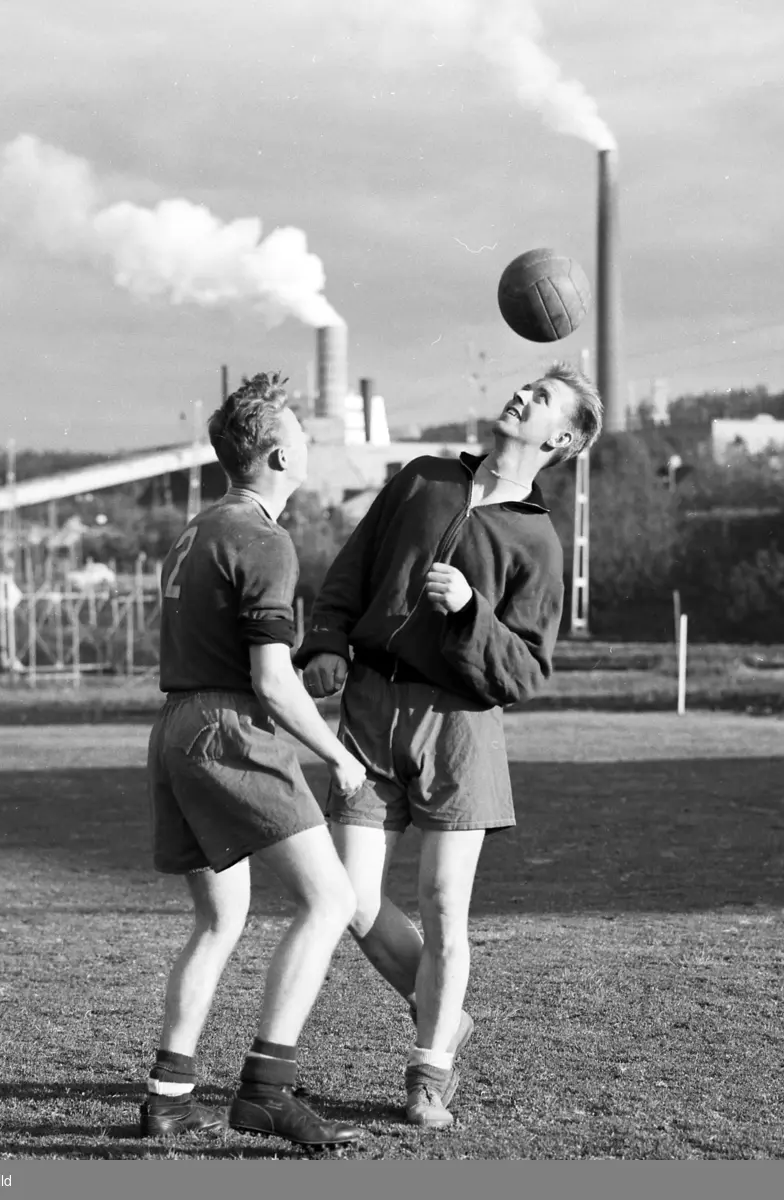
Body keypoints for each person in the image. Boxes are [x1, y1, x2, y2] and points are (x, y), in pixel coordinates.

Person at [295, 361, 603, 1129]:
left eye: (541, 399)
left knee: (442, 909)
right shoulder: (421, 477)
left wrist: (471, 613)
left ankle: (430, 1072)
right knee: (350, 898)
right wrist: (328, 643)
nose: (522, 394)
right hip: (367, 711)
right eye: (526, 385)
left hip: (459, 731)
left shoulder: (538, 540)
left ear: (560, 438)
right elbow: (351, 571)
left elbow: (526, 670)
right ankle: (443, 1010)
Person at [140, 372, 366, 1148]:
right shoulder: (264, 538)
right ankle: (266, 1091)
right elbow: (270, 683)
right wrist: (337, 755)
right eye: (301, 434)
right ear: (277, 454)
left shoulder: (195, 529)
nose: (308, 442)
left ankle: (167, 1099)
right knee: (330, 902)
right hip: (225, 731)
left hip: (173, 726)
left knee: (220, 917)